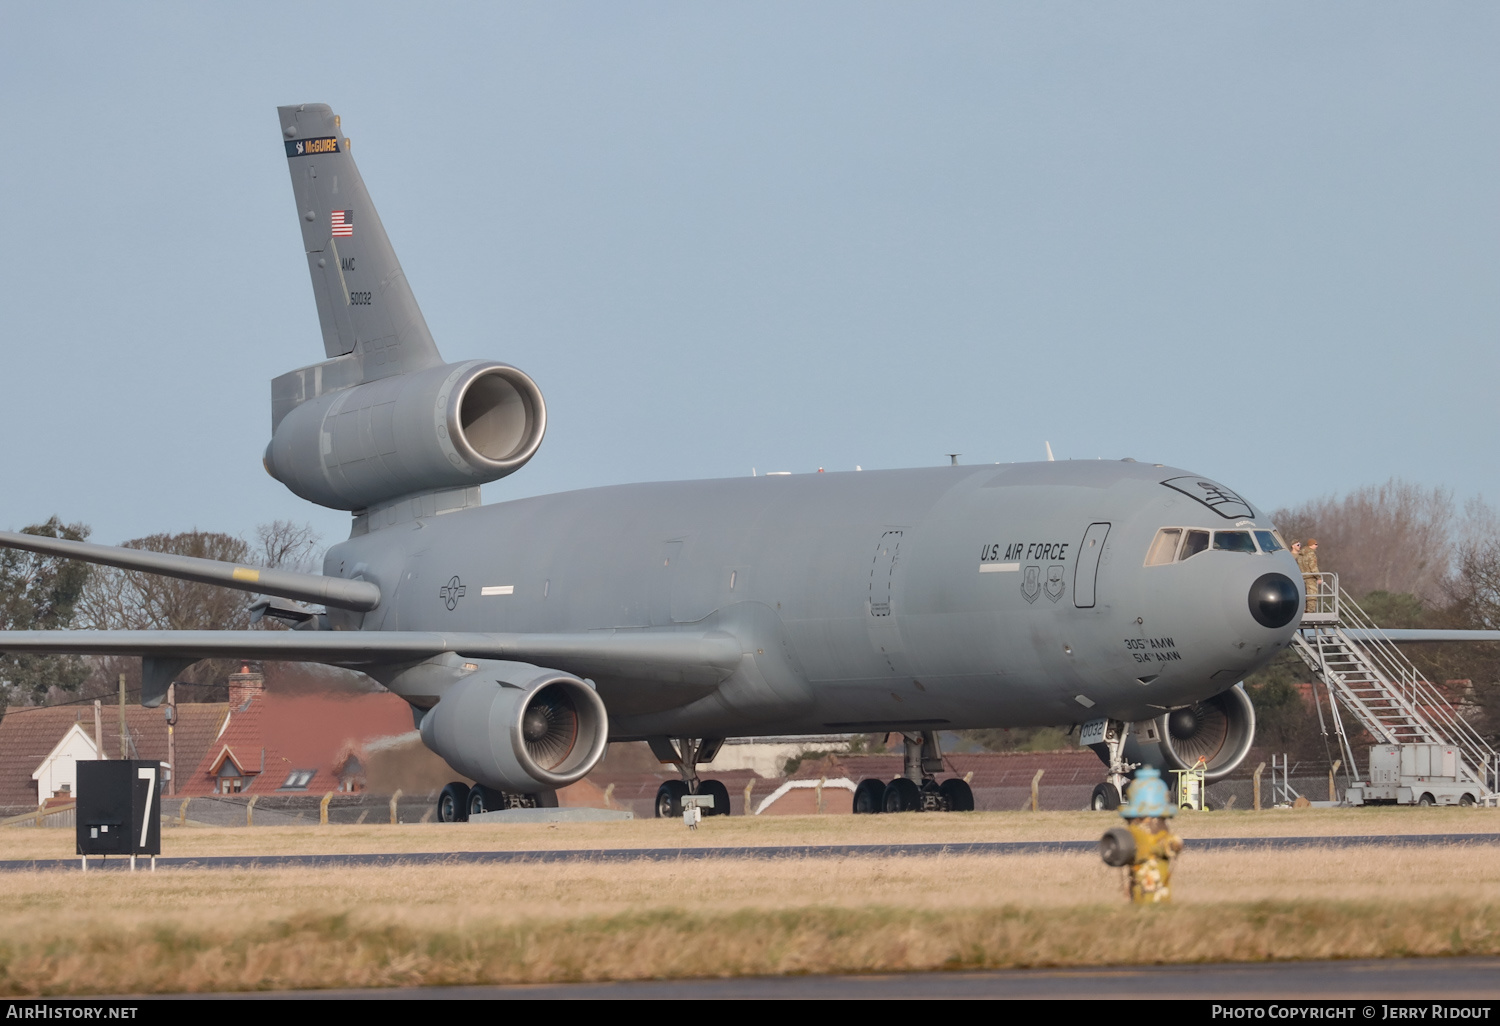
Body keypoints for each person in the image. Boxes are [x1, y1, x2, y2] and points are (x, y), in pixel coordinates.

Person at [1298, 538, 1320, 612]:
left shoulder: (1300, 555)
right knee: (1312, 597)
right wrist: (1319, 577)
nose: (1317, 546)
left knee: (1303, 596)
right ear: (1311, 545)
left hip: (1301, 578)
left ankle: (1302, 611)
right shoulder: (1311, 554)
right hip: (1310, 579)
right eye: (1315, 544)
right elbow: (1313, 567)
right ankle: (1310, 612)